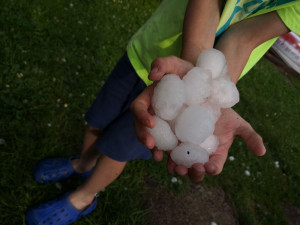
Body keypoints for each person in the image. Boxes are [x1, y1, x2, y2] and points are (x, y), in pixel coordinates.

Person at [26, 0, 300, 224]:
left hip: (181, 88)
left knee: (118, 149)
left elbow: (244, 37)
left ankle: (85, 196)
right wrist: (190, 73)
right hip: (147, 52)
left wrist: (203, 93)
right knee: (98, 120)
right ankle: (82, 164)